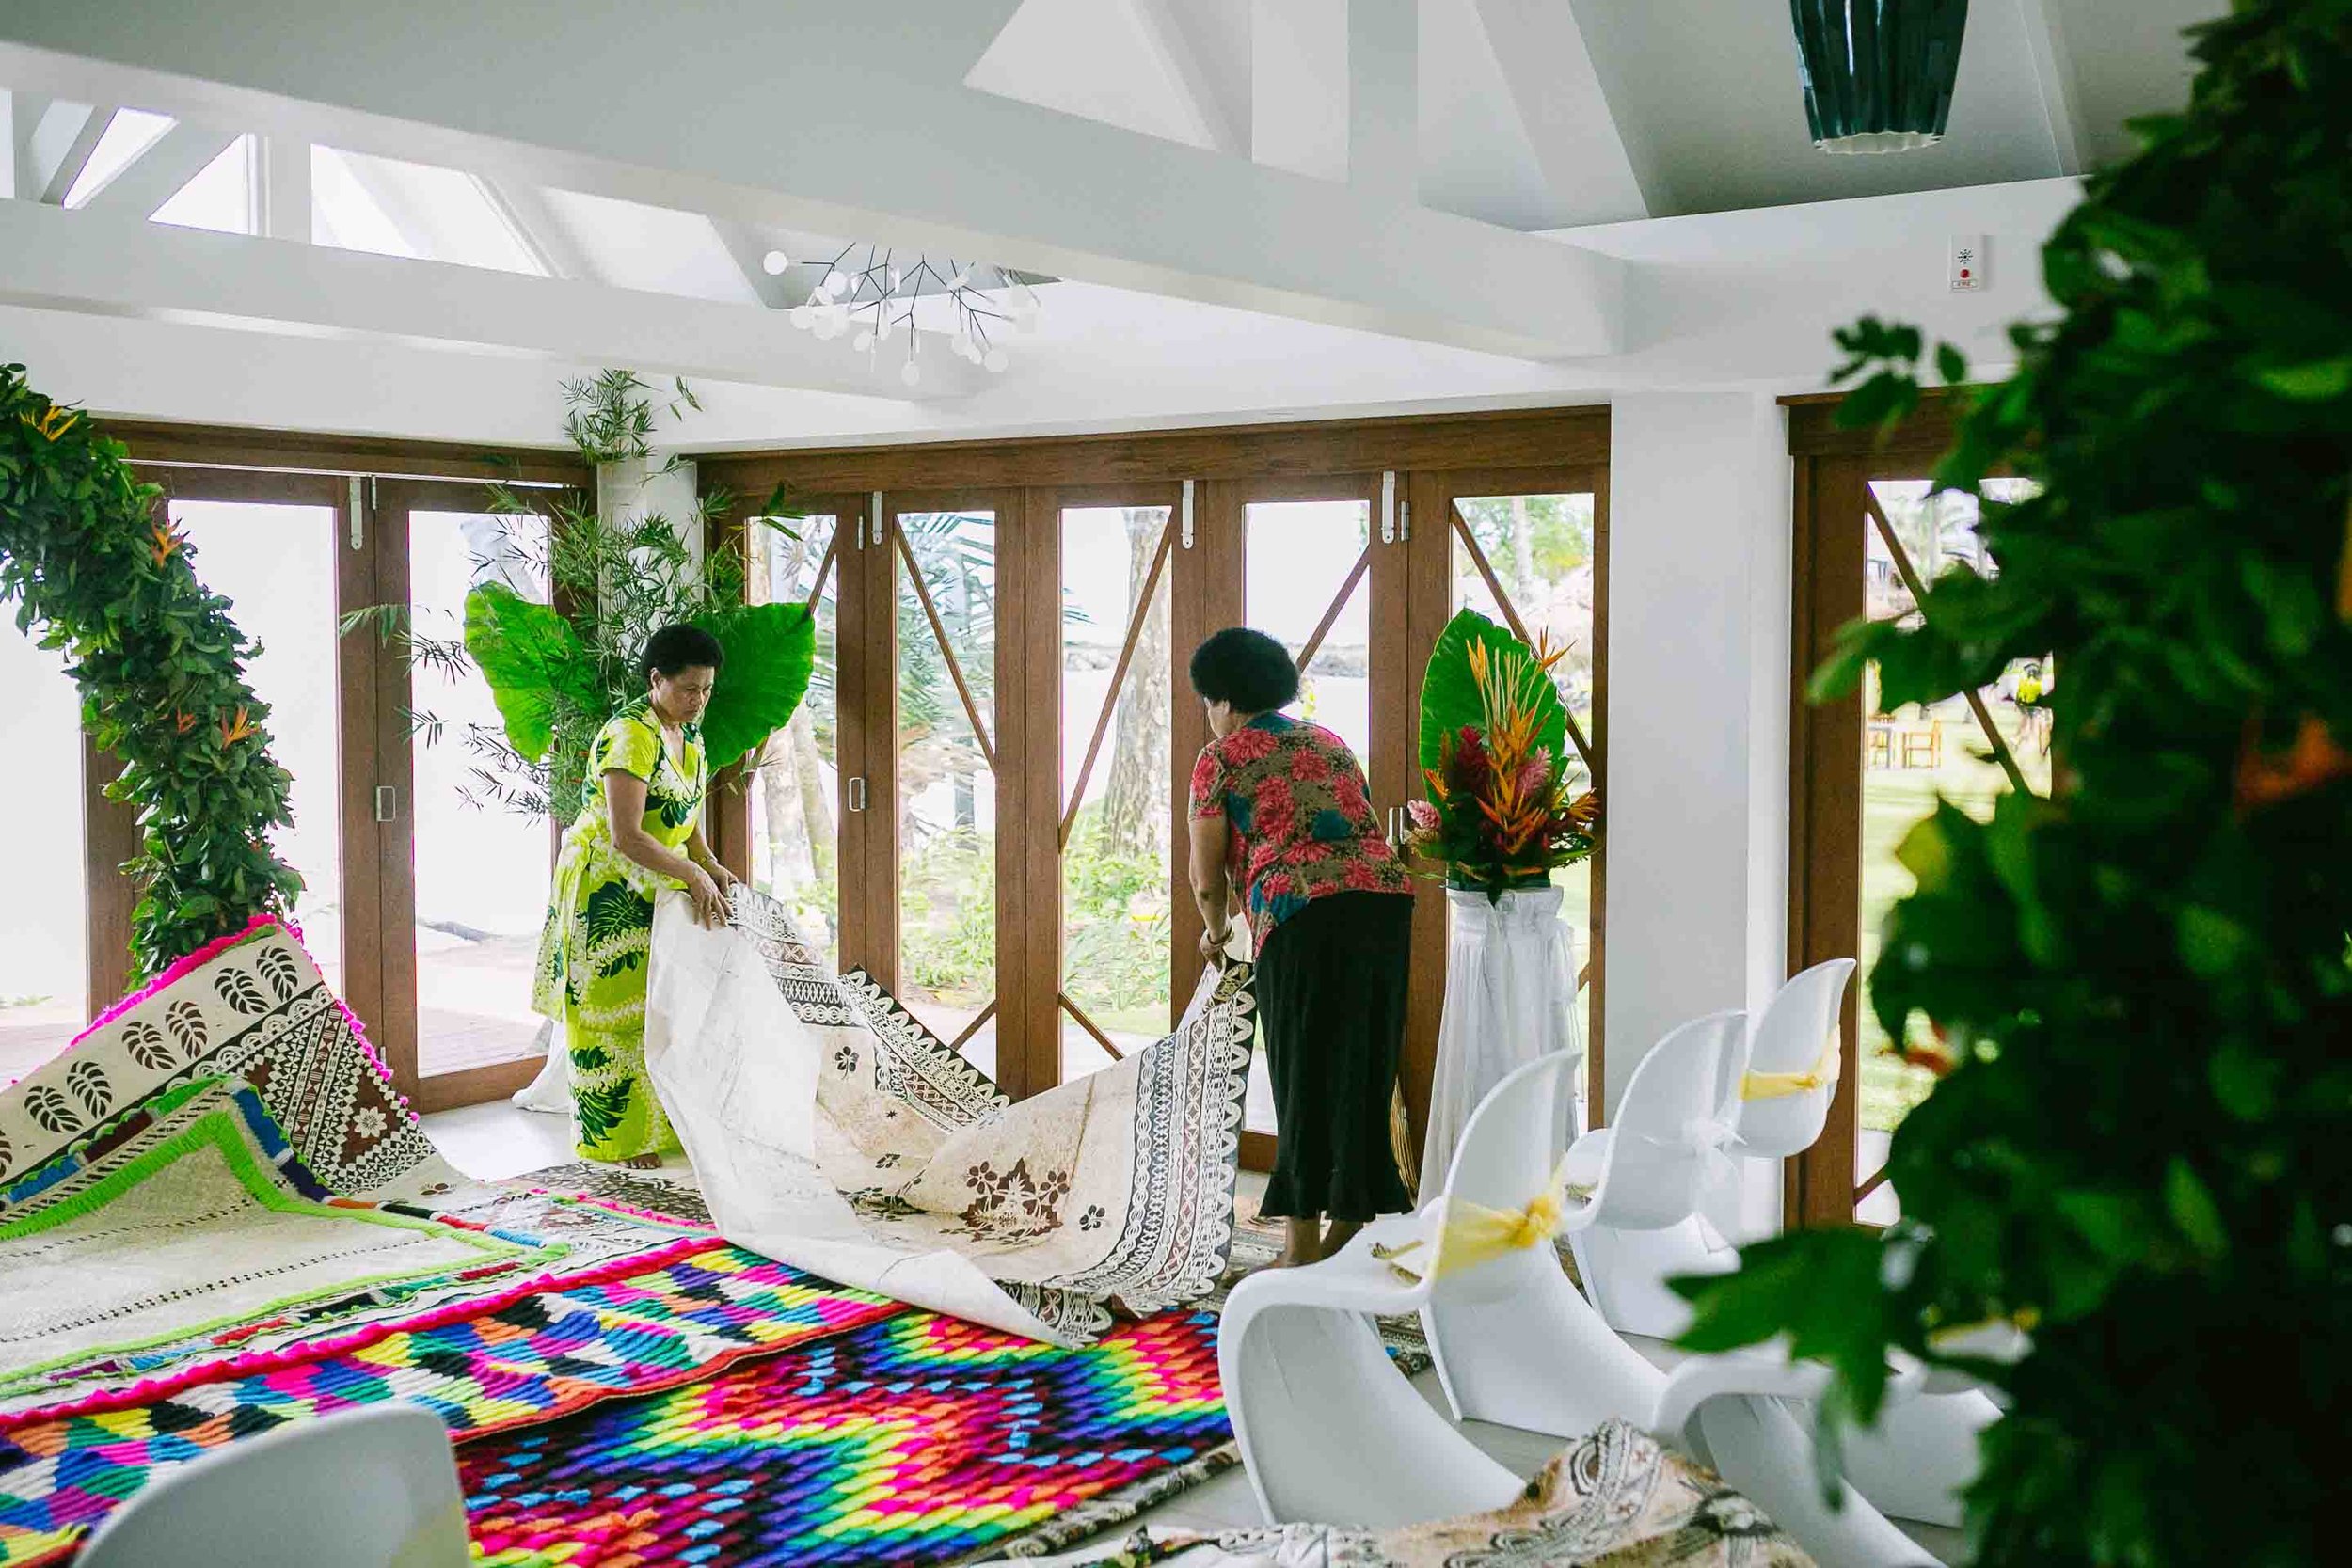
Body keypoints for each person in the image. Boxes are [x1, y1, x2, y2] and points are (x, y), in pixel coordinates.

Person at [1186, 626, 1415, 1266]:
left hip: (1301, 914)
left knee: (1300, 1068)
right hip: (1384, 903)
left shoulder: (1223, 756)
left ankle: (1299, 1248)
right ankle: (1350, 1215)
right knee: (1362, 1062)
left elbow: (1206, 877)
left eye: (1208, 700)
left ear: (1226, 698)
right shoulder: (1328, 741)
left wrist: (1217, 934)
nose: (1210, 715)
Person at [532, 624, 735, 1167]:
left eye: (707, 690)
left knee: (656, 1005)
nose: (699, 701)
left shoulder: (690, 735)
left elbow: (685, 812)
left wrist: (709, 860)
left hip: (655, 881)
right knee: (607, 1011)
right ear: (656, 679)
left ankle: (659, 1127)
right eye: (689, 689)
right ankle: (614, 1141)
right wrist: (693, 876)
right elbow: (627, 835)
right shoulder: (630, 735)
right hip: (606, 884)